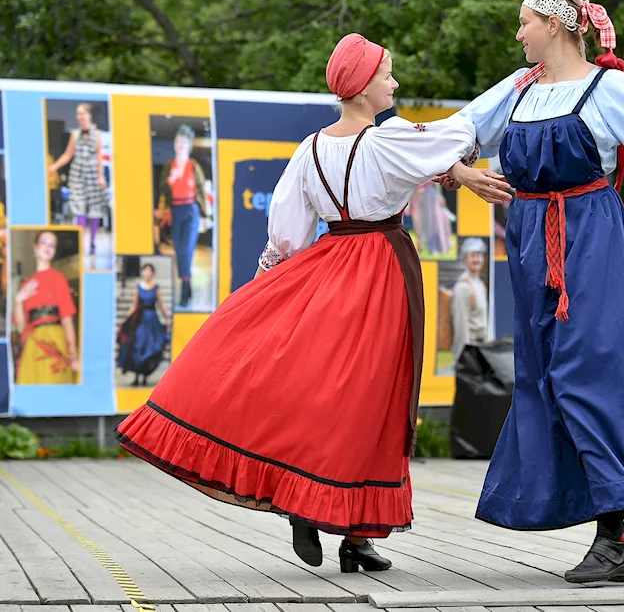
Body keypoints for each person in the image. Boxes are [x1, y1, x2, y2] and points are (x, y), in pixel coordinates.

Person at [115, 34, 507, 573]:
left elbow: (287, 235)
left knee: (322, 392)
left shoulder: (312, 148)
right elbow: (456, 132)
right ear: (365, 87)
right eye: (387, 75)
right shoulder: (388, 137)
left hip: (327, 267)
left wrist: (263, 287)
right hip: (382, 270)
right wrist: (520, 84)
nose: (394, 83)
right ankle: (351, 533)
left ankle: (326, 516)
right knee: (374, 401)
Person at [447, 0, 624, 584]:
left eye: (524, 23)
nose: (517, 34)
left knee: (590, 369)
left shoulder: (606, 88)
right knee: (543, 376)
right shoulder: (516, 91)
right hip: (531, 244)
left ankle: (615, 536)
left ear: (558, 25)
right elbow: (453, 134)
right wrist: (463, 171)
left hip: (589, 238)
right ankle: (591, 519)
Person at [12, 232, 79, 384]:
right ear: (35, 247)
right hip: (32, 345)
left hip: (55, 341)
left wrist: (74, 354)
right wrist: (18, 299)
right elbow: (22, 327)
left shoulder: (58, 278)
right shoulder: (26, 285)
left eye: (52, 244)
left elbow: (67, 319)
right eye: (44, 242)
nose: (48, 247)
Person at [157, 125, 209, 308]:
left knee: (187, 249)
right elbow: (162, 188)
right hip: (176, 211)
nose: (179, 144)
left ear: (189, 145)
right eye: (177, 141)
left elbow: (201, 190)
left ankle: (186, 287)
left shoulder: (193, 166)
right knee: (179, 250)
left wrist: (205, 214)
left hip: (191, 210)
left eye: (183, 142)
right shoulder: (169, 166)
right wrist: (171, 180)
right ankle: (185, 281)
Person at [47, 104, 107, 256]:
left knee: (94, 210)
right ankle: (79, 243)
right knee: (79, 209)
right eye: (77, 114)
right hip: (78, 174)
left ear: (89, 115)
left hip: (92, 174)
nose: (79, 116)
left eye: (82, 113)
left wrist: (101, 176)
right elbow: (68, 154)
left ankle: (92, 242)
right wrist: (54, 166)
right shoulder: (75, 134)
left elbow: (99, 156)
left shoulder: (97, 134)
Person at [117, 263, 171, 386]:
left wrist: (167, 318)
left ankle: (145, 376)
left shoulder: (156, 288)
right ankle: (137, 376)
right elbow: (133, 305)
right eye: (145, 271)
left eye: (149, 271)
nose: (147, 273)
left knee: (151, 346)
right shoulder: (138, 288)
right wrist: (125, 320)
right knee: (137, 346)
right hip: (140, 319)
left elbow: (161, 305)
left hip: (152, 319)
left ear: (152, 274)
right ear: (142, 273)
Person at [450, 237, 489, 364]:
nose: (476, 259)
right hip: (469, 350)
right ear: (466, 259)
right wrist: (463, 359)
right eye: (472, 255)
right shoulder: (463, 287)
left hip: (479, 347)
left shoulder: (479, 283)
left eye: (479, 255)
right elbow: (460, 326)